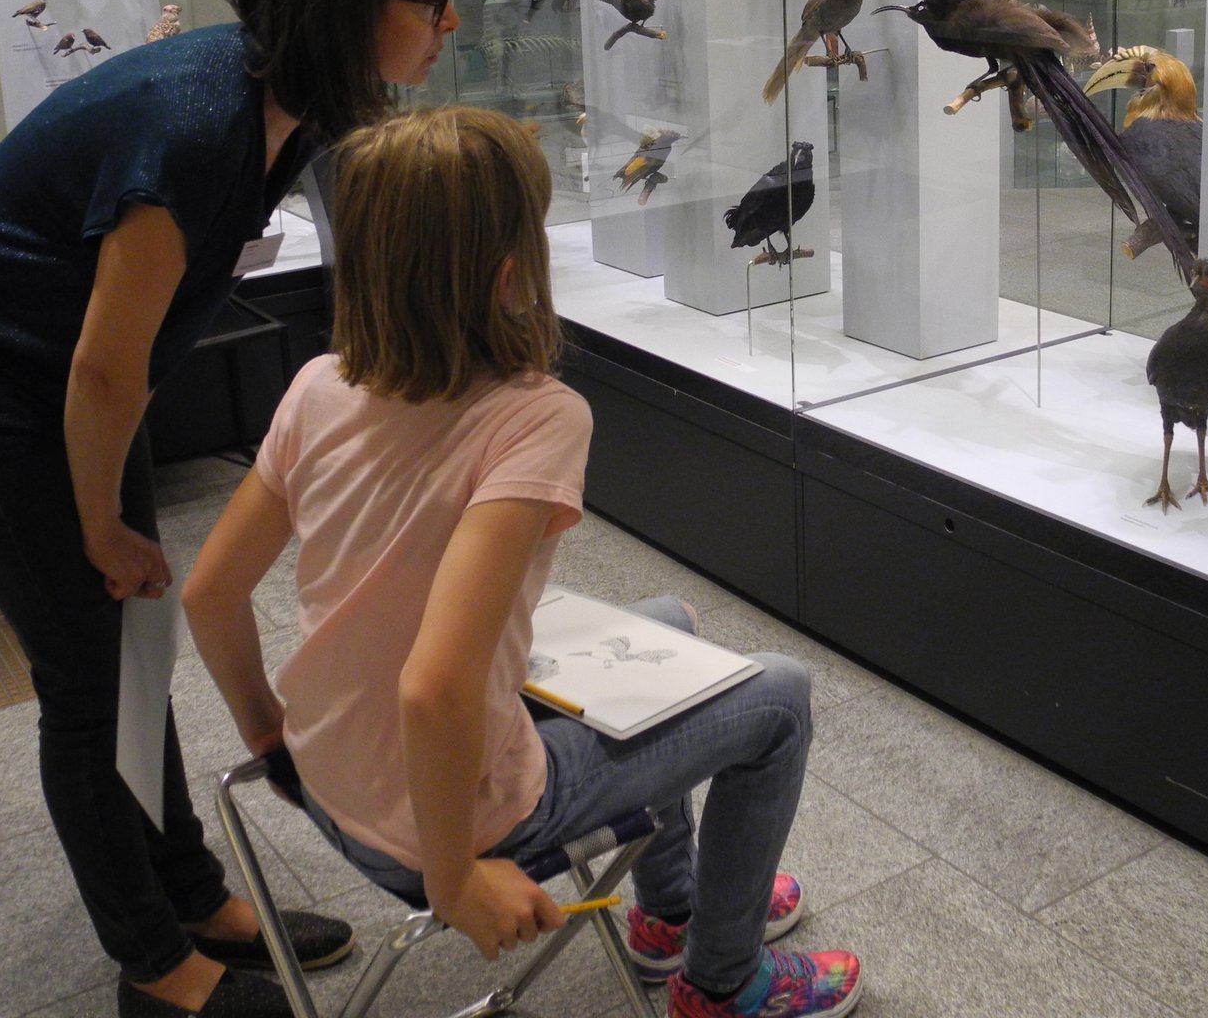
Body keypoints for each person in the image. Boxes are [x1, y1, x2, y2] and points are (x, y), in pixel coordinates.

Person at [0, 0, 461, 1018]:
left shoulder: (290, 102)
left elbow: (111, 357)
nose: (450, 21)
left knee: (133, 639)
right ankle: (154, 963)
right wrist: (97, 522)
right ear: (348, 4)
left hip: (71, 380)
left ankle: (188, 890)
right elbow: (98, 360)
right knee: (85, 678)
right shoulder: (194, 123)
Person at [183, 108, 865, 1018]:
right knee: (780, 696)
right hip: (448, 823)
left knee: (667, 626)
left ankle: (671, 912)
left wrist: (269, 733)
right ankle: (724, 982)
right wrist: (458, 874)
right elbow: (436, 686)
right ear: (511, 274)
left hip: (322, 771)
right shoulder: (536, 416)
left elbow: (209, 591)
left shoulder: (318, 384)